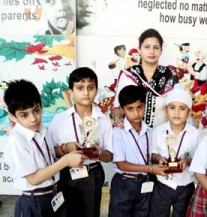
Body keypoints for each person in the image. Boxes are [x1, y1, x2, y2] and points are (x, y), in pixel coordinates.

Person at [4, 79, 84, 217]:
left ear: (41, 105)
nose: (33, 119)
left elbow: (50, 155)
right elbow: (34, 178)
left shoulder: (43, 129)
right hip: (34, 201)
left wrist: (65, 148)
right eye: (24, 115)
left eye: (36, 111)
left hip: (54, 195)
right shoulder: (17, 141)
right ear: (13, 116)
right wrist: (65, 161)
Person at [47, 67, 113, 217]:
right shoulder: (60, 119)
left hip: (93, 172)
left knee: (91, 212)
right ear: (71, 91)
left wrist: (100, 153)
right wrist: (65, 148)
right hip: (67, 173)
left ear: (96, 90)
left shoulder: (103, 120)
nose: (86, 92)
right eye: (80, 88)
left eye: (90, 88)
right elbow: (51, 152)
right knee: (68, 212)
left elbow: (110, 156)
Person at [108, 85, 167, 217]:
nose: (136, 113)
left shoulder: (151, 132)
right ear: (122, 109)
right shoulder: (117, 132)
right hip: (123, 183)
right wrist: (151, 169)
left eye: (139, 107)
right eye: (130, 109)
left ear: (145, 106)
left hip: (145, 182)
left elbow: (152, 155)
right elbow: (121, 164)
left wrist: (158, 159)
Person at [149, 84, 201, 217]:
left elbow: (200, 160)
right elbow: (153, 154)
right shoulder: (158, 131)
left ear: (189, 111)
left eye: (182, 108)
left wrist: (187, 161)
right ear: (166, 110)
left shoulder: (195, 134)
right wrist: (158, 159)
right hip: (162, 185)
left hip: (185, 186)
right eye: (172, 108)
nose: (176, 113)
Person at [113, 28, 179, 128]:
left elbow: (177, 108)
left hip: (162, 136)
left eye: (156, 47)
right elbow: (117, 107)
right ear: (139, 50)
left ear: (161, 51)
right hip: (134, 135)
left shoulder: (170, 76)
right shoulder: (129, 75)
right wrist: (117, 118)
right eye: (147, 47)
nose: (151, 51)